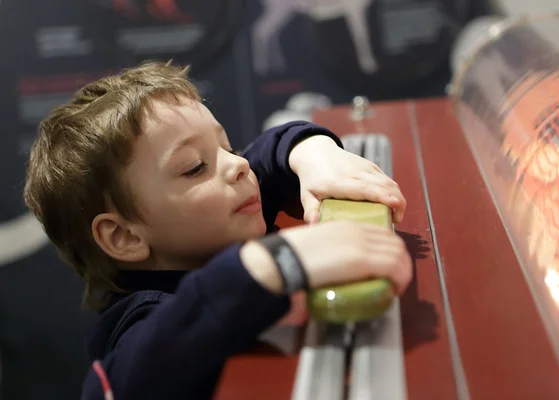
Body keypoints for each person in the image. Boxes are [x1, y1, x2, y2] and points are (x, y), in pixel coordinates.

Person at [23, 61, 412, 399]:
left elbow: (263, 153)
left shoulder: (221, 211)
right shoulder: (137, 322)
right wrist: (272, 263)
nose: (237, 166)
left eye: (227, 146)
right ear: (124, 236)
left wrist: (312, 153)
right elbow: (135, 378)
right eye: (195, 167)